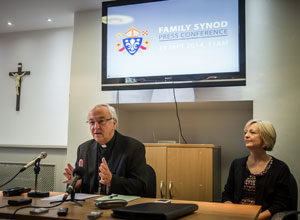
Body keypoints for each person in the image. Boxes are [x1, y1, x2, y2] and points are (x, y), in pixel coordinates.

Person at [63, 104, 147, 196]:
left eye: (101, 121)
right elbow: (79, 186)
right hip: (89, 206)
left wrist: (112, 181)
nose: (96, 127)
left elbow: (141, 187)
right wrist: (76, 185)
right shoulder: (84, 149)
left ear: (114, 123)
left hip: (119, 206)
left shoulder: (133, 148)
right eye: (92, 122)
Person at [222, 119, 292, 220]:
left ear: (265, 137)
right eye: (245, 132)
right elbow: (227, 194)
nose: (246, 135)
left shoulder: (280, 168)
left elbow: (281, 204)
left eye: (252, 132)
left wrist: (256, 218)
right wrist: (229, 208)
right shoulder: (236, 164)